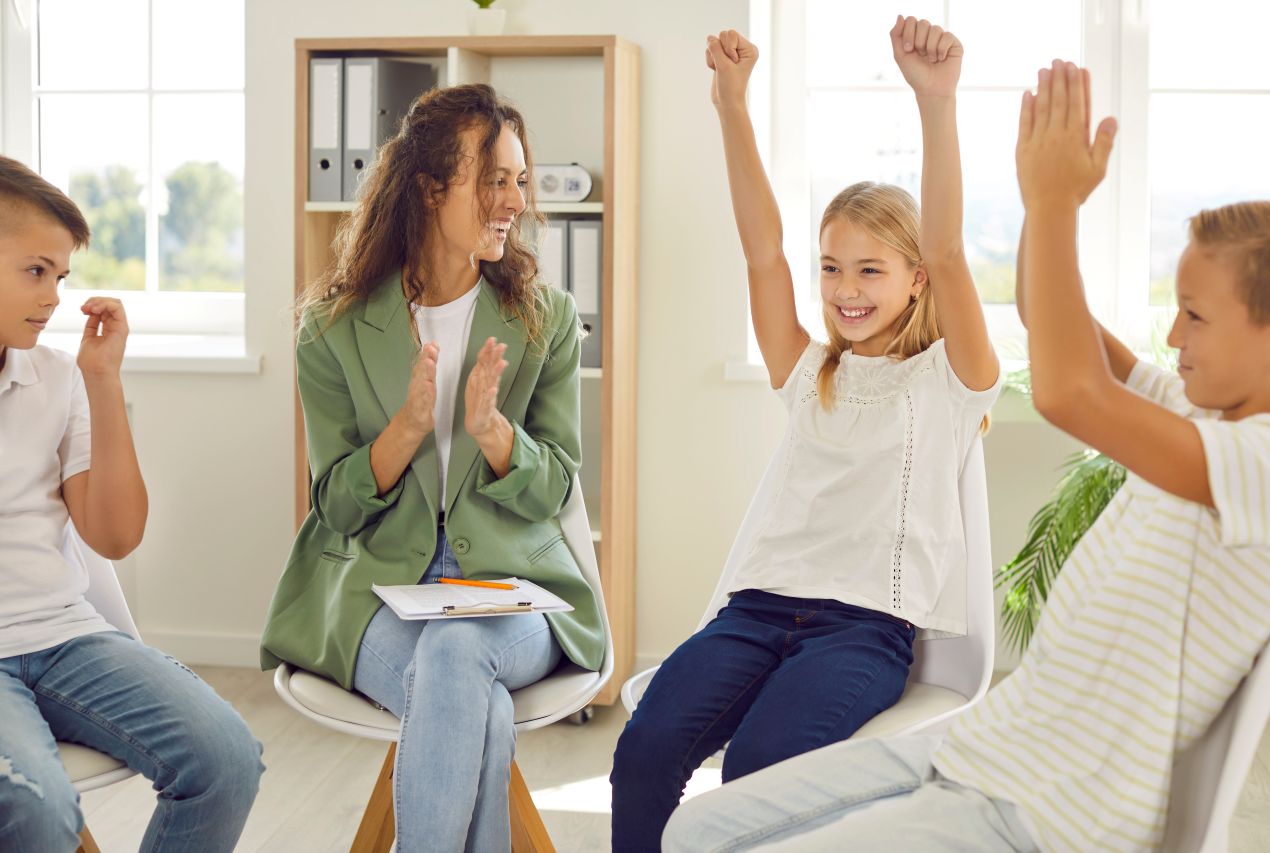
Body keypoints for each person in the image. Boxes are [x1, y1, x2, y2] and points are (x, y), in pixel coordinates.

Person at [664, 59, 1270, 853]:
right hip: (983, 747)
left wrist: (1052, 203)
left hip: (1046, 809)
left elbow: (1071, 393)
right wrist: (1042, 202)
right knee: (693, 832)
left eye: (1193, 314)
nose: (1174, 336)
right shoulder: (1198, 407)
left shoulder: (1256, 463)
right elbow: (1050, 317)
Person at [609, 17, 1000, 851]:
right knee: (642, 751)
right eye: (831, 267)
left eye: (869, 269)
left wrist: (936, 104)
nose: (844, 289)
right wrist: (731, 104)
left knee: (760, 770)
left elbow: (952, 247)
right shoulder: (807, 369)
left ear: (915, 277)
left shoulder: (950, 381)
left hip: (863, 630)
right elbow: (760, 252)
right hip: (754, 611)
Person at [260, 84, 603, 853]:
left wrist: (494, 435)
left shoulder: (543, 317)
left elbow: (558, 485)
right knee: (476, 702)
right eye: (493, 179)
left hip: (517, 587)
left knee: (457, 652)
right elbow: (334, 506)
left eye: (520, 179)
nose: (513, 200)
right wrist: (409, 427)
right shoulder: (332, 328)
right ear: (429, 186)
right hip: (378, 587)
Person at [0, 155, 263, 852]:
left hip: (64, 637)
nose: (53, 295)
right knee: (35, 808)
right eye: (35, 270)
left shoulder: (58, 378)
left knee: (228, 758)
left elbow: (115, 535)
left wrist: (102, 381)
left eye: (60, 276)